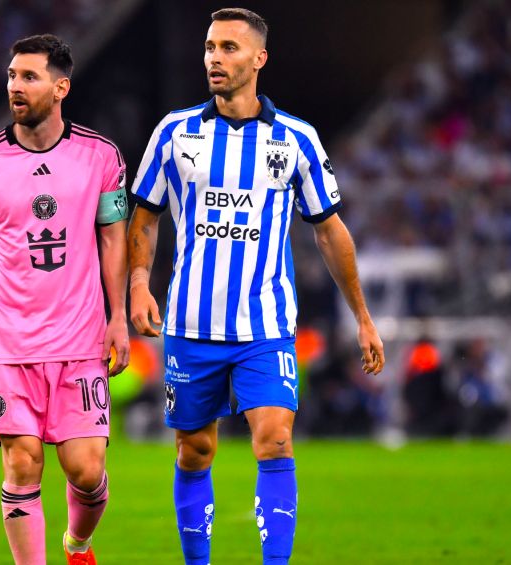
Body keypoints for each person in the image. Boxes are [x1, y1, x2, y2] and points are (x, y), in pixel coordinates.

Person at [127, 9, 384, 565]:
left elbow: (330, 231)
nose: (214, 58)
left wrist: (362, 316)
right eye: (209, 47)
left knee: (275, 440)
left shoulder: (296, 139)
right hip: (192, 324)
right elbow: (144, 215)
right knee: (195, 451)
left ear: (259, 59)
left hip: (265, 326)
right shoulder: (174, 133)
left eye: (228, 48)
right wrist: (139, 283)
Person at [0, 35, 129, 565]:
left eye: (29, 77)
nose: (15, 87)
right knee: (22, 467)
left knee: (87, 471)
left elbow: (114, 237)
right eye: (11, 77)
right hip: (8, 340)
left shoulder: (101, 156)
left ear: (61, 86)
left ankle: (78, 543)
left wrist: (119, 317)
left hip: (80, 336)